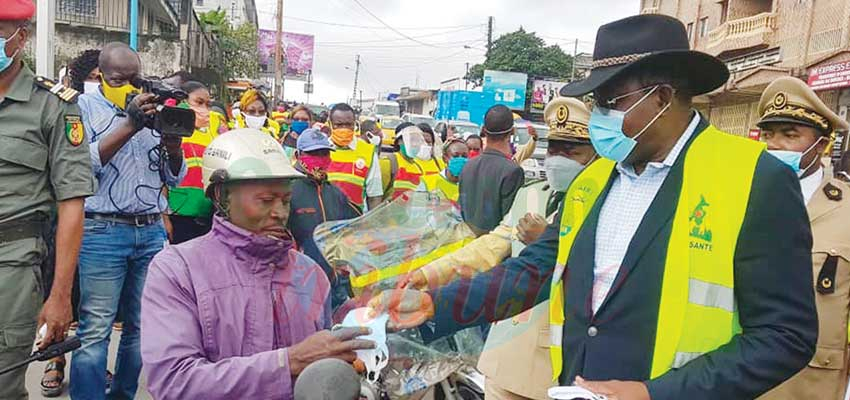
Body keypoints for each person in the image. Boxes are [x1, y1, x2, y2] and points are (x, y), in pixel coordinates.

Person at [372, 14, 818, 400]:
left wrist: (655, 394)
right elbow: (534, 272)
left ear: (662, 98)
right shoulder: (594, 180)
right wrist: (437, 305)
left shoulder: (755, 179)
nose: (599, 116)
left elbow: (785, 337)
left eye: (610, 103)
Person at [140, 128, 374, 399]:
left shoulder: (310, 273)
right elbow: (173, 382)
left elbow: (332, 353)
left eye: (286, 200)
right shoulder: (178, 270)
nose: (280, 213)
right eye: (265, 201)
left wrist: (376, 315)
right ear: (221, 197)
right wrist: (288, 363)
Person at [404, 97, 595, 400]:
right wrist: (428, 275)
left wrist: (547, 239)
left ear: (596, 155)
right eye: (554, 148)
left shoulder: (603, 206)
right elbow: (490, 247)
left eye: (572, 150)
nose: (559, 158)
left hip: (558, 366)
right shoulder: (533, 196)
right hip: (505, 353)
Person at [71, 42, 186, 400]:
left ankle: (123, 395)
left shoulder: (152, 104)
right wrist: (130, 124)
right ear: (102, 76)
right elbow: (81, 166)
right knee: (95, 329)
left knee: (142, 327)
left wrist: (173, 147)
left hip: (150, 230)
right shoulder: (81, 107)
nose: (130, 85)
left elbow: (175, 177)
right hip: (102, 229)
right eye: (120, 79)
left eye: (134, 78)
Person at [0, 3, 94, 398]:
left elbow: (72, 204)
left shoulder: (53, 106)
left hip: (12, 263)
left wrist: (59, 297)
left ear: (21, 38)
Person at [754, 78, 850, 400]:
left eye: (790, 135)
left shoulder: (847, 211)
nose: (774, 145)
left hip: (812, 385)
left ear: (822, 144)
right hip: (740, 378)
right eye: (768, 134)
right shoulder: (736, 198)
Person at [40, 47, 102, 397]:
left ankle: (86, 365)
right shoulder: (63, 107)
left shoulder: (125, 110)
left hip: (103, 219)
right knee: (61, 290)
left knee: (93, 305)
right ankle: (54, 359)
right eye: (93, 77)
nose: (98, 83)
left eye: (101, 77)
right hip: (64, 215)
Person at [289, 128, 361, 310]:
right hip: (298, 284)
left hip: (333, 282)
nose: (320, 158)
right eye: (313, 153)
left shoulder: (334, 193)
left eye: (324, 153)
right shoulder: (287, 190)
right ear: (298, 155)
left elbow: (356, 225)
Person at [458, 105, 525, 236]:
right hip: (493, 250)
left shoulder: (468, 165)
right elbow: (509, 222)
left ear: (484, 130)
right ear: (512, 132)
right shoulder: (512, 171)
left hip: (465, 245)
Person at [166, 81, 217, 244]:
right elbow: (161, 179)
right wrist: (163, 216)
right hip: (178, 214)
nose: (205, 110)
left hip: (206, 213)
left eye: (208, 104)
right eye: (199, 102)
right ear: (182, 102)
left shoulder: (213, 133)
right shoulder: (170, 132)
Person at [326, 103, 383, 211]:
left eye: (349, 124)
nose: (344, 128)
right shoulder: (321, 149)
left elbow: (374, 196)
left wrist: (371, 225)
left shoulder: (368, 152)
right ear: (330, 124)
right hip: (323, 220)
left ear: (355, 125)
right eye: (339, 124)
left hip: (354, 221)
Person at [383, 124, 433, 200]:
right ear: (399, 141)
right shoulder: (389, 162)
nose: (415, 143)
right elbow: (376, 197)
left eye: (418, 140)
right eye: (411, 139)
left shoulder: (418, 166)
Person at [433, 138, 469, 203]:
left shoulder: (473, 184)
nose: (460, 159)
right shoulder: (430, 182)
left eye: (464, 156)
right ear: (445, 158)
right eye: (455, 156)